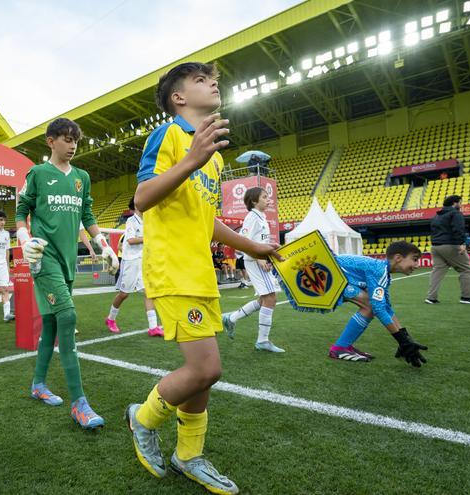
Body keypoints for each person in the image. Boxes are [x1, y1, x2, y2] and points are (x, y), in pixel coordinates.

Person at [125, 62, 280, 495]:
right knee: (206, 368)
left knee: (207, 375)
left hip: (200, 272)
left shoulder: (213, 159)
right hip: (172, 269)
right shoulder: (170, 136)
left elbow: (207, 219)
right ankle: (143, 418)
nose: (213, 83)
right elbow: (142, 198)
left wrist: (253, 247)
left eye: (213, 80)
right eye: (200, 80)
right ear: (178, 97)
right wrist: (192, 158)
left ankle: (189, 454)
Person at [16, 117, 118, 430]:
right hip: (43, 258)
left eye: (75, 140)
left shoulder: (82, 178)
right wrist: (24, 241)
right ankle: (79, 403)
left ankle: (37, 384)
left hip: (67, 260)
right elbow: (21, 213)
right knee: (68, 318)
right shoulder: (37, 173)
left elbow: (87, 214)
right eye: (65, 139)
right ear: (50, 141)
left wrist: (104, 245)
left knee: (50, 324)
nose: (72, 145)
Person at [323, 241, 429, 366]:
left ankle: (343, 346)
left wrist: (405, 338)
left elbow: (386, 306)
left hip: (329, 274)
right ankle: (340, 348)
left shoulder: (382, 271)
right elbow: (379, 309)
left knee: (373, 305)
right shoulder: (380, 271)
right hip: (325, 275)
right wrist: (401, 340)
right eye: (415, 259)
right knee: (370, 305)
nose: (417, 265)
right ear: (398, 258)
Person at [222, 187, 284, 353]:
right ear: (254, 201)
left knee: (265, 299)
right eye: (264, 197)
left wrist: (267, 256)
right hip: (254, 261)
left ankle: (231, 318)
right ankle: (262, 341)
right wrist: (259, 258)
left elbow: (259, 242)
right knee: (270, 299)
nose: (268, 199)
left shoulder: (262, 217)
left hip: (260, 261)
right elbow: (244, 243)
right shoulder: (252, 217)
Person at [105, 197, 163, 337]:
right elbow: (130, 240)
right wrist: (149, 238)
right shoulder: (131, 221)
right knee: (124, 294)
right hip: (130, 261)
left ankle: (153, 327)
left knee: (149, 293)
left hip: (142, 261)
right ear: (137, 206)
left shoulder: (148, 221)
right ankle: (110, 319)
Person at [425, 195, 470, 305]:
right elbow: (458, 229)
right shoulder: (456, 213)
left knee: (438, 271)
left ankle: (431, 297)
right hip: (450, 245)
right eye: (460, 203)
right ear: (454, 203)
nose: (461, 205)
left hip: (435, 247)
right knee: (466, 269)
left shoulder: (436, 216)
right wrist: (462, 243)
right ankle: (466, 297)